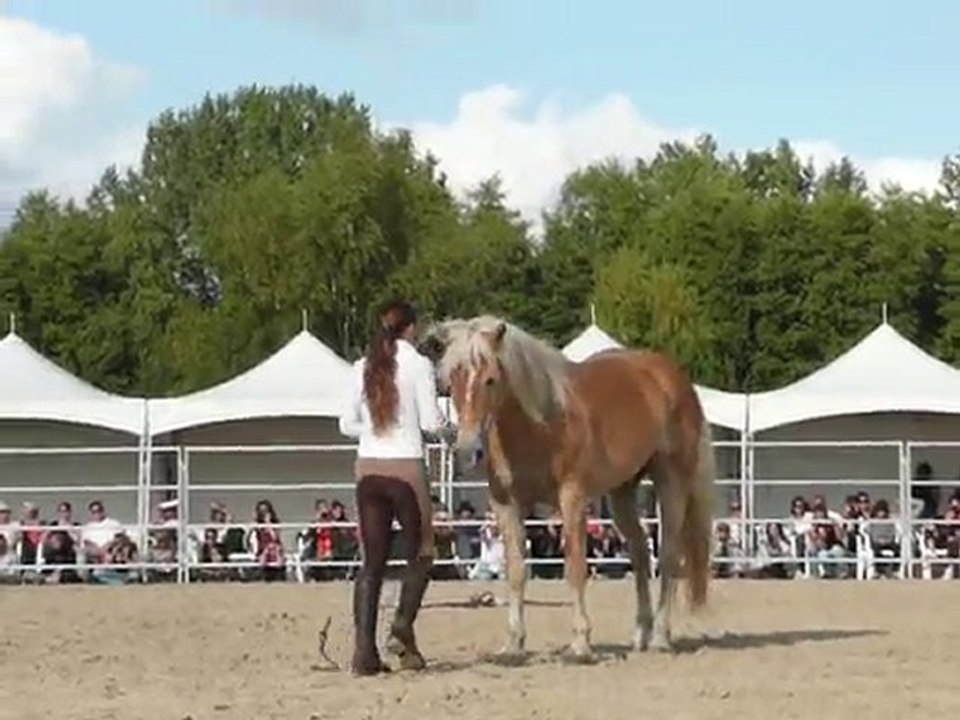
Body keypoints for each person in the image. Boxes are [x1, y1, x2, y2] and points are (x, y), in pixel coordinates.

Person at [338, 299, 453, 676]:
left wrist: (374, 431)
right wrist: (452, 434)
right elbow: (433, 423)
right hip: (406, 467)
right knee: (421, 554)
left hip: (368, 468)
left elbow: (346, 424)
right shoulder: (419, 365)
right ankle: (402, 627)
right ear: (411, 328)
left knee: (371, 565)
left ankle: (363, 654)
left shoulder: (362, 366)